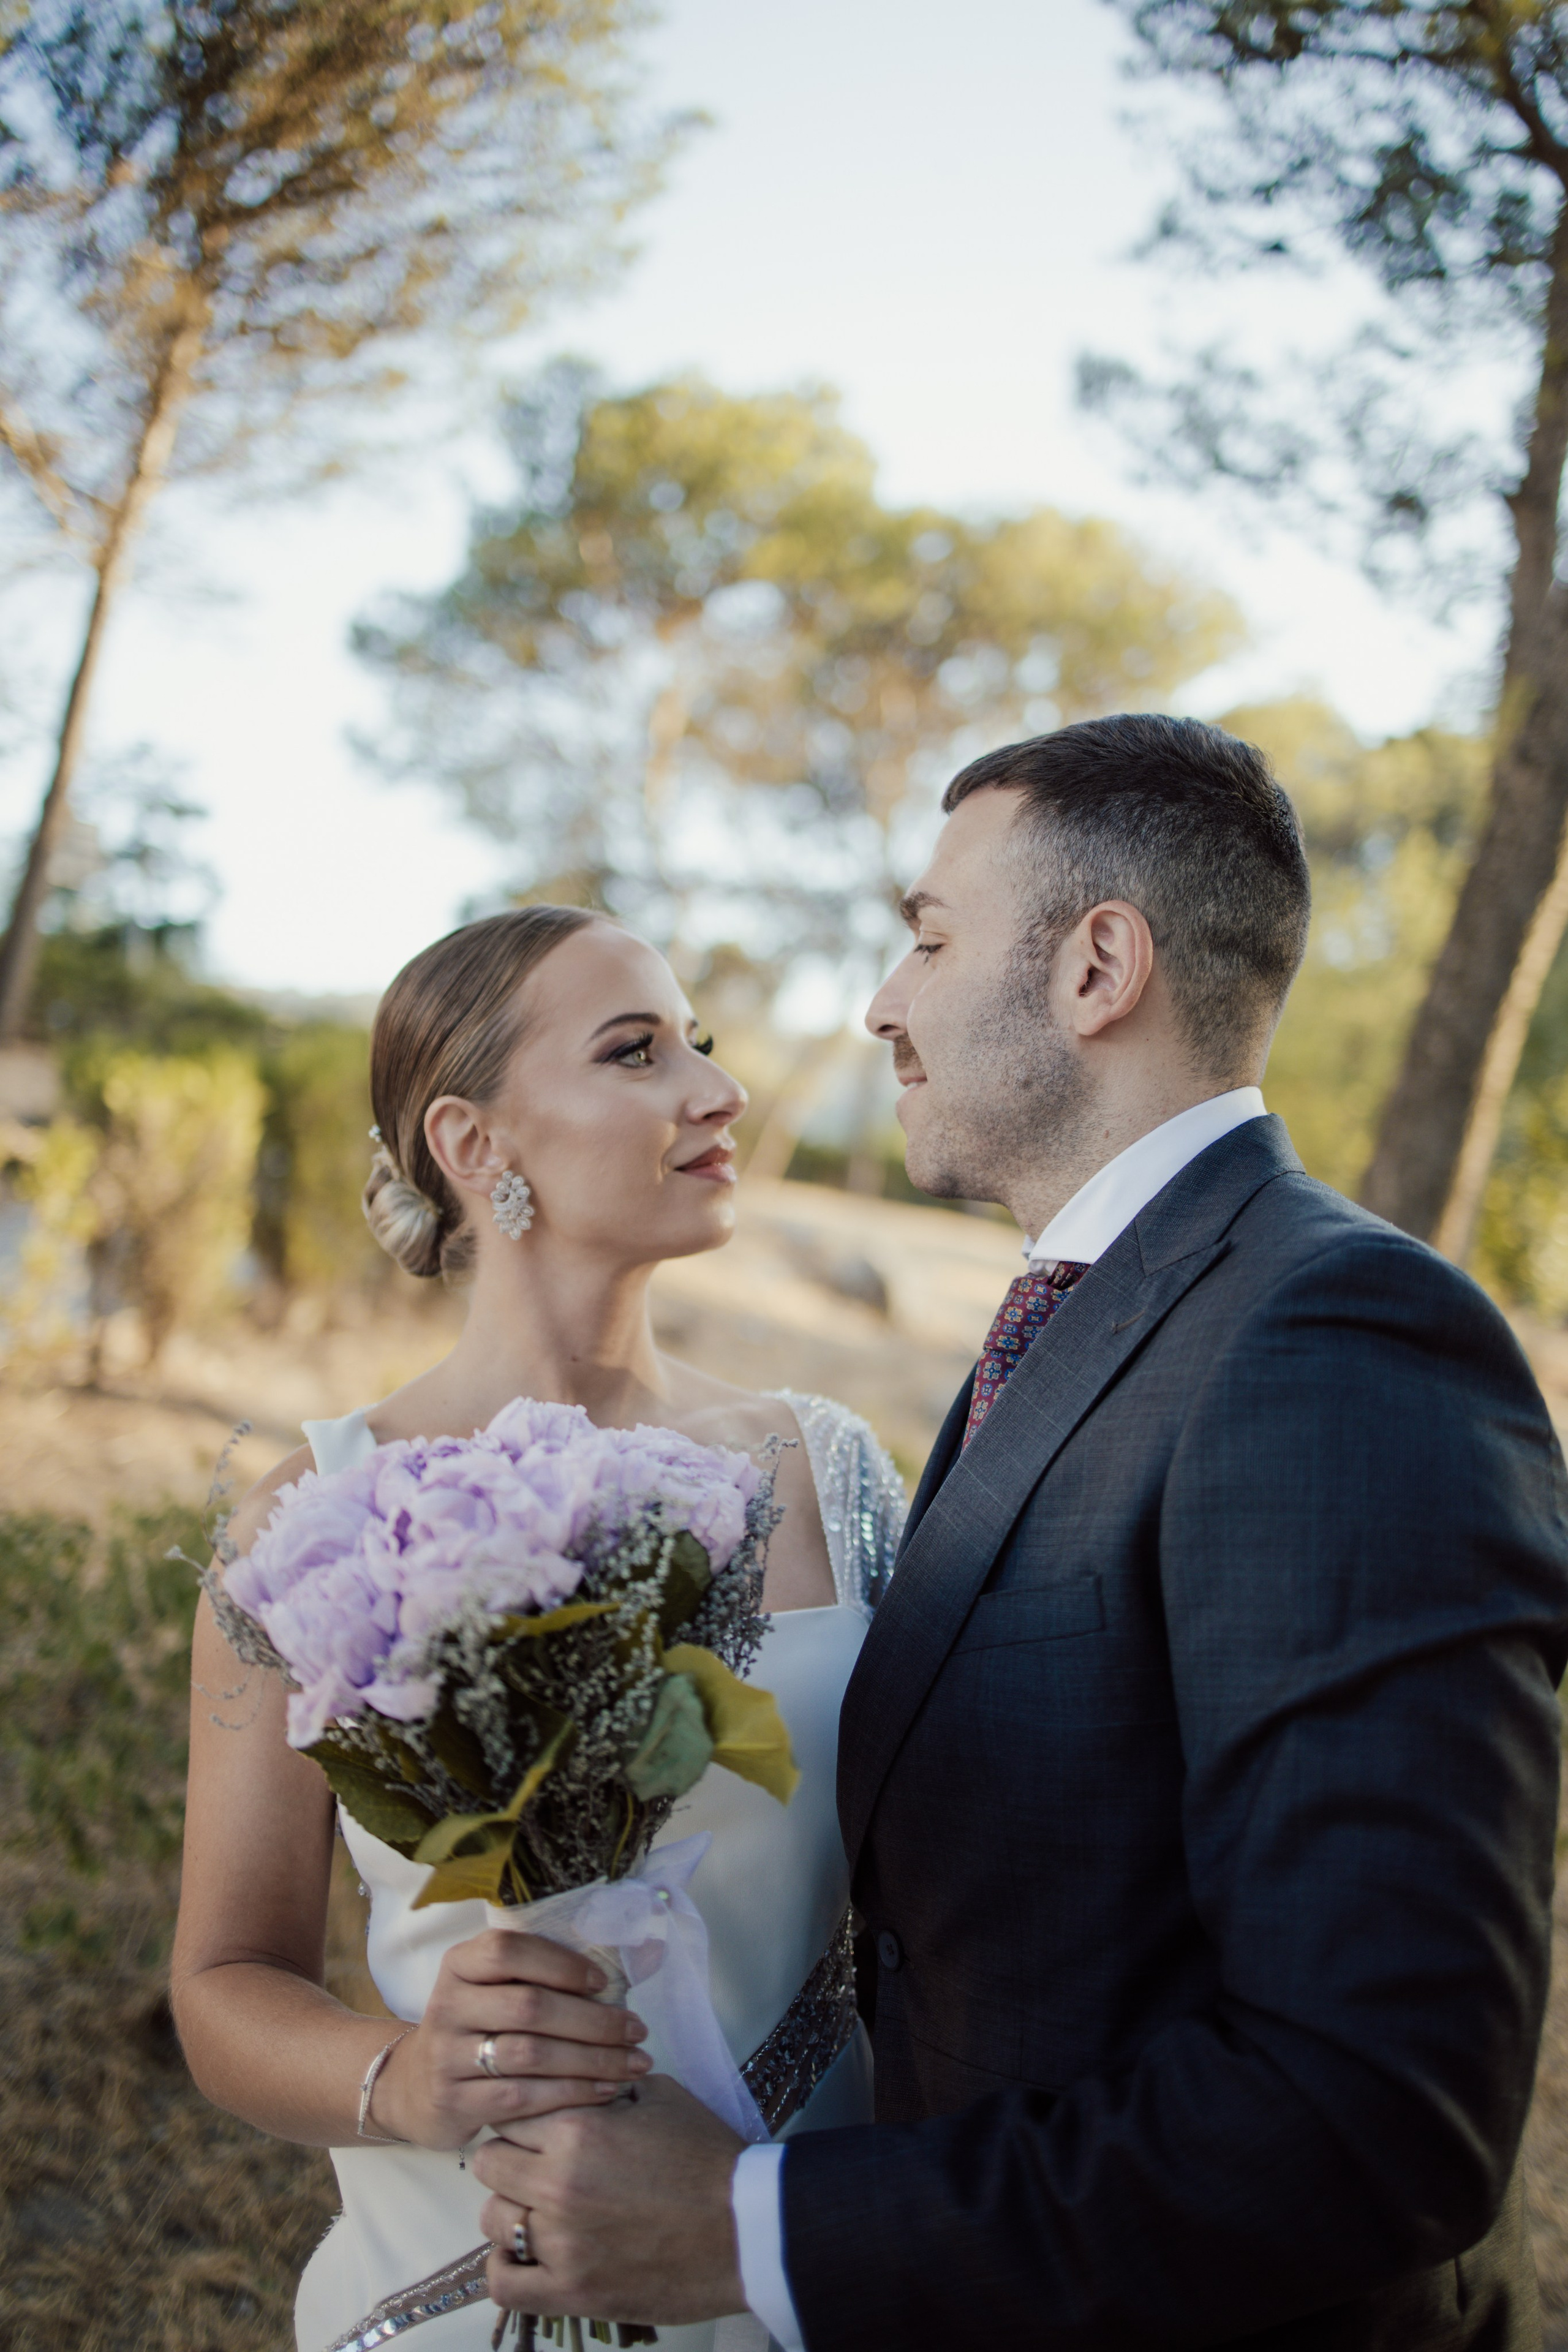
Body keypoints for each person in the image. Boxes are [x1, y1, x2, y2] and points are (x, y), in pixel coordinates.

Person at [470, 714, 1568, 2352]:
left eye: (926, 937)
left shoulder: (1335, 1338)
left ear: (1096, 967)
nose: (881, 1003)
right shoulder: (1093, 1309)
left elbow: (1376, 2113)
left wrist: (748, 2228)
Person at [170, 905, 906, 2352]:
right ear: (472, 1143)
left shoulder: (831, 1473)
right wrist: (408, 2078)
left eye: (697, 1041)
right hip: (450, 2286)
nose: (715, 1088)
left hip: (795, 2278)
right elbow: (223, 1983)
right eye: (635, 1051)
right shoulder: (311, 1520)